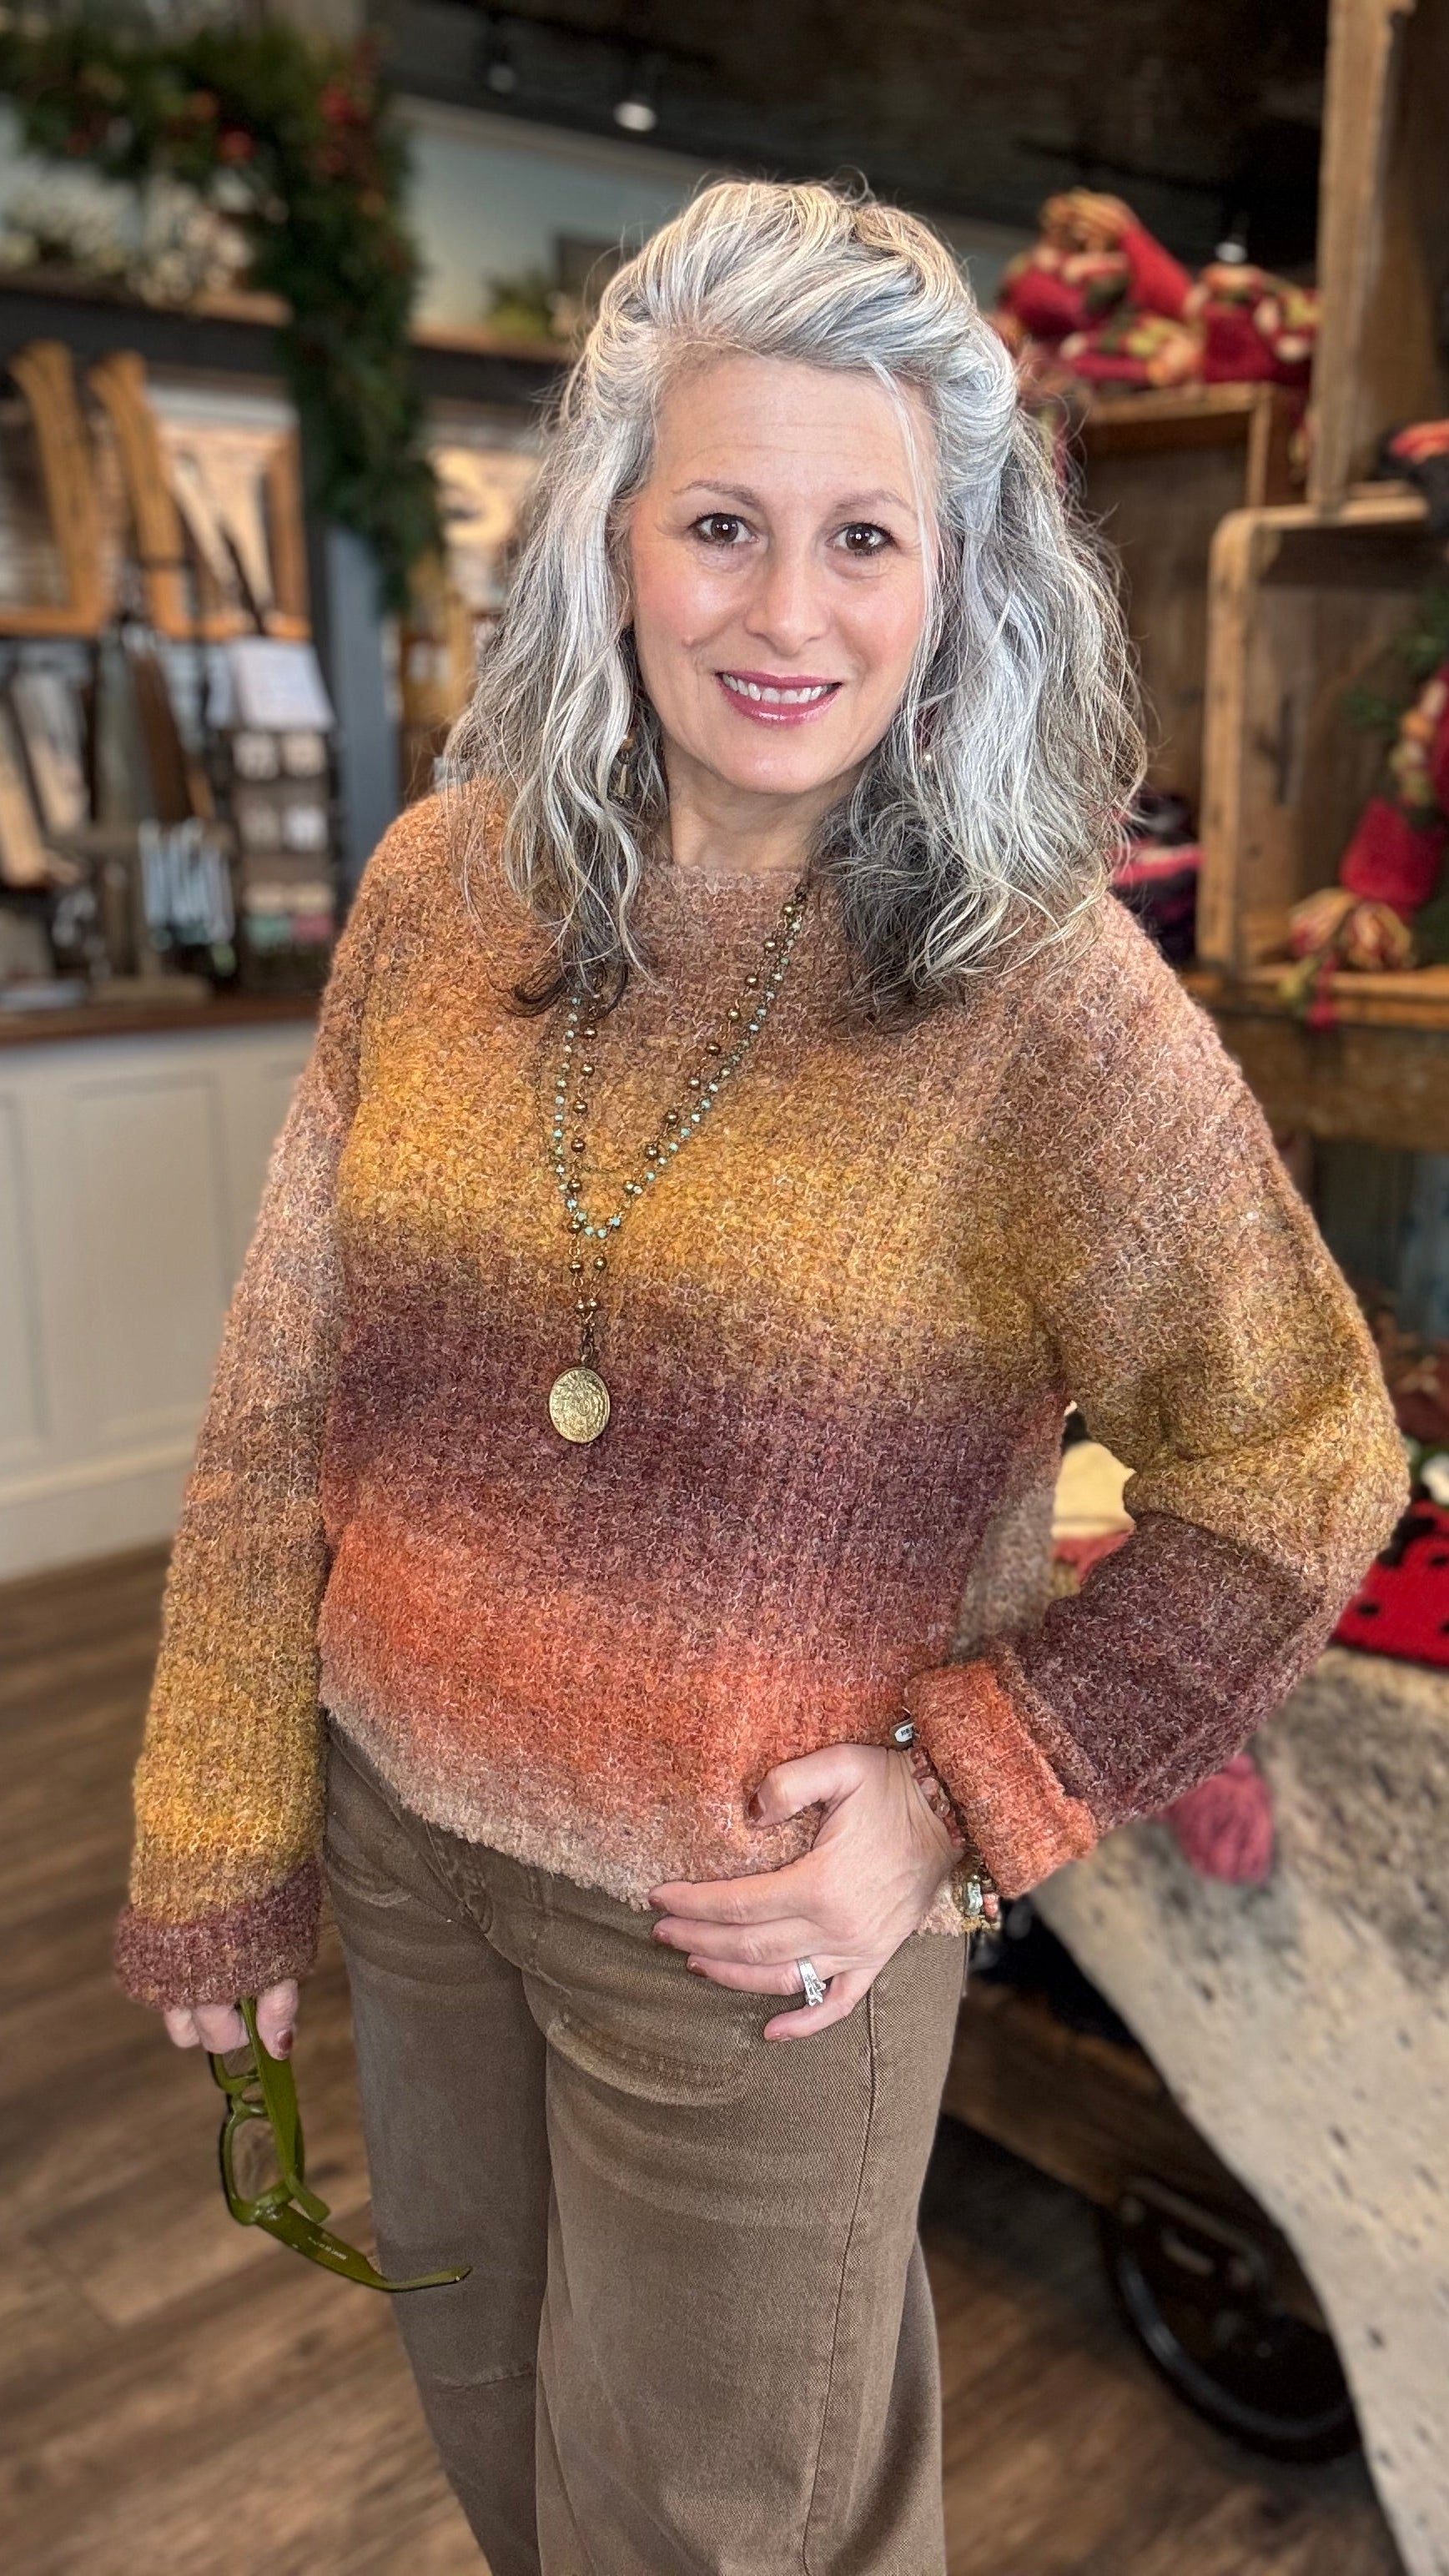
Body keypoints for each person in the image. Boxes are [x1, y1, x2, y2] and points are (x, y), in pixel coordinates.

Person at [114, 179, 1408, 2573]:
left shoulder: (1043, 1006)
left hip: (743, 1943)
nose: (788, 614)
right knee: (504, 2454)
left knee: (723, 2536)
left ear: (962, 582)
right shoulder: (439, 889)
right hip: (414, 1848)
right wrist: (222, 1830)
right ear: (611, 537)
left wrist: (958, 1790)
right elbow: (282, 1394)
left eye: (864, 540)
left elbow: (1301, 1464)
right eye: (721, 523)